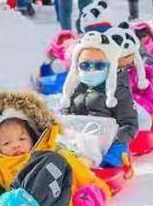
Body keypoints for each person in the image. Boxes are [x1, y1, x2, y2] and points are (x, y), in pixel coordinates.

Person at [59, 30, 138, 168]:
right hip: (76, 141)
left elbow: (129, 123)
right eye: (85, 65)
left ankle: (83, 167)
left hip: (106, 145)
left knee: (90, 148)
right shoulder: (74, 88)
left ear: (110, 65)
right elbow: (66, 117)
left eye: (99, 65)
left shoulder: (118, 91)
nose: (91, 70)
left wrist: (117, 143)